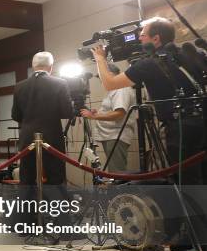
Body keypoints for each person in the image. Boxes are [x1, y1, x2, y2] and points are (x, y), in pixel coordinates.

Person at [93, 17, 205, 184]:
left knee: (177, 179)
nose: (139, 38)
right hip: (202, 123)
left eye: (143, 35)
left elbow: (110, 84)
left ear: (156, 38)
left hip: (177, 129)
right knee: (200, 176)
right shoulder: (190, 54)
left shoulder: (148, 64)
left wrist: (100, 59)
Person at [12, 52, 74, 187]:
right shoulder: (60, 83)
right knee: (55, 178)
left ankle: (28, 207)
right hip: (52, 137)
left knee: (26, 179)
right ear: (50, 66)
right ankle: (55, 207)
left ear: (33, 66)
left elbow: (15, 115)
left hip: (27, 138)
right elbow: (67, 112)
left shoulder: (19, 86)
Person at [80, 63, 136, 171]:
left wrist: (94, 116)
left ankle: (117, 189)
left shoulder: (121, 88)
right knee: (114, 170)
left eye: (101, 77)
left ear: (109, 74)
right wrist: (97, 114)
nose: (101, 81)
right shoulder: (115, 89)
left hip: (116, 136)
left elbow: (119, 114)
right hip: (111, 136)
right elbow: (113, 110)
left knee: (116, 172)